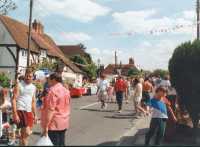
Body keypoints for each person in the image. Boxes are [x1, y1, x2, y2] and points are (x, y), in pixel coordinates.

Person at [40, 73, 70, 146]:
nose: (48, 81)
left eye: (49, 79)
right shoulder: (66, 90)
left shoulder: (52, 91)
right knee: (61, 143)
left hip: (54, 123)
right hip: (64, 121)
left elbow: (50, 110)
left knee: (54, 143)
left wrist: (46, 126)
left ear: (53, 80)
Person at [12, 68, 37, 146]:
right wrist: (15, 114)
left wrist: (35, 115)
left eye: (30, 76)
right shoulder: (19, 85)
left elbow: (33, 102)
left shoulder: (33, 87)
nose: (28, 78)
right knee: (26, 133)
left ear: (33, 77)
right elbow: (14, 100)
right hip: (21, 110)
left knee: (25, 136)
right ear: (25, 75)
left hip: (29, 112)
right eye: (27, 76)